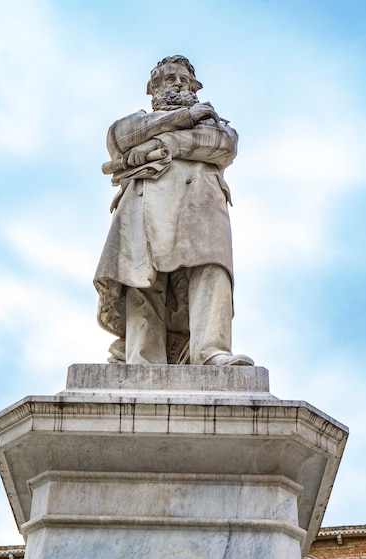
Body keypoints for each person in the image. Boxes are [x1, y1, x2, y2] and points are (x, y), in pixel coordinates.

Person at [94, 55, 253, 366]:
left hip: (200, 201)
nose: (178, 84)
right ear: (154, 89)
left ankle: (211, 352)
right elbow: (120, 138)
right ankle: (143, 359)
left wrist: (159, 145)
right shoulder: (135, 121)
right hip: (145, 201)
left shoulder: (213, 123)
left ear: (194, 85)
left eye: (183, 79)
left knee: (211, 270)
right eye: (169, 79)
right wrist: (185, 117)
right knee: (142, 278)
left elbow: (222, 146)